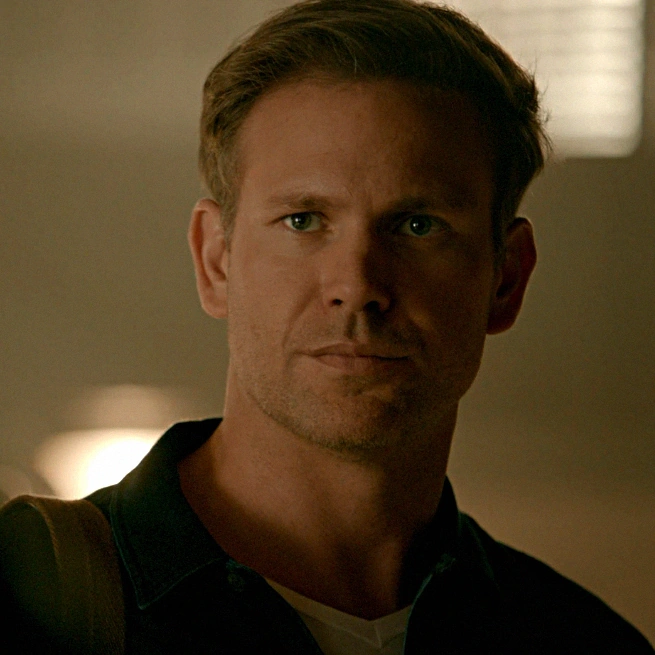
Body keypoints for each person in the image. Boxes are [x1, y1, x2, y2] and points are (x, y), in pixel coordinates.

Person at [1, 0, 653, 652]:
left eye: (417, 225)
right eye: (303, 220)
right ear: (215, 260)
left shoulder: (581, 645)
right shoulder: (25, 597)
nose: (357, 285)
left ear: (505, 279)